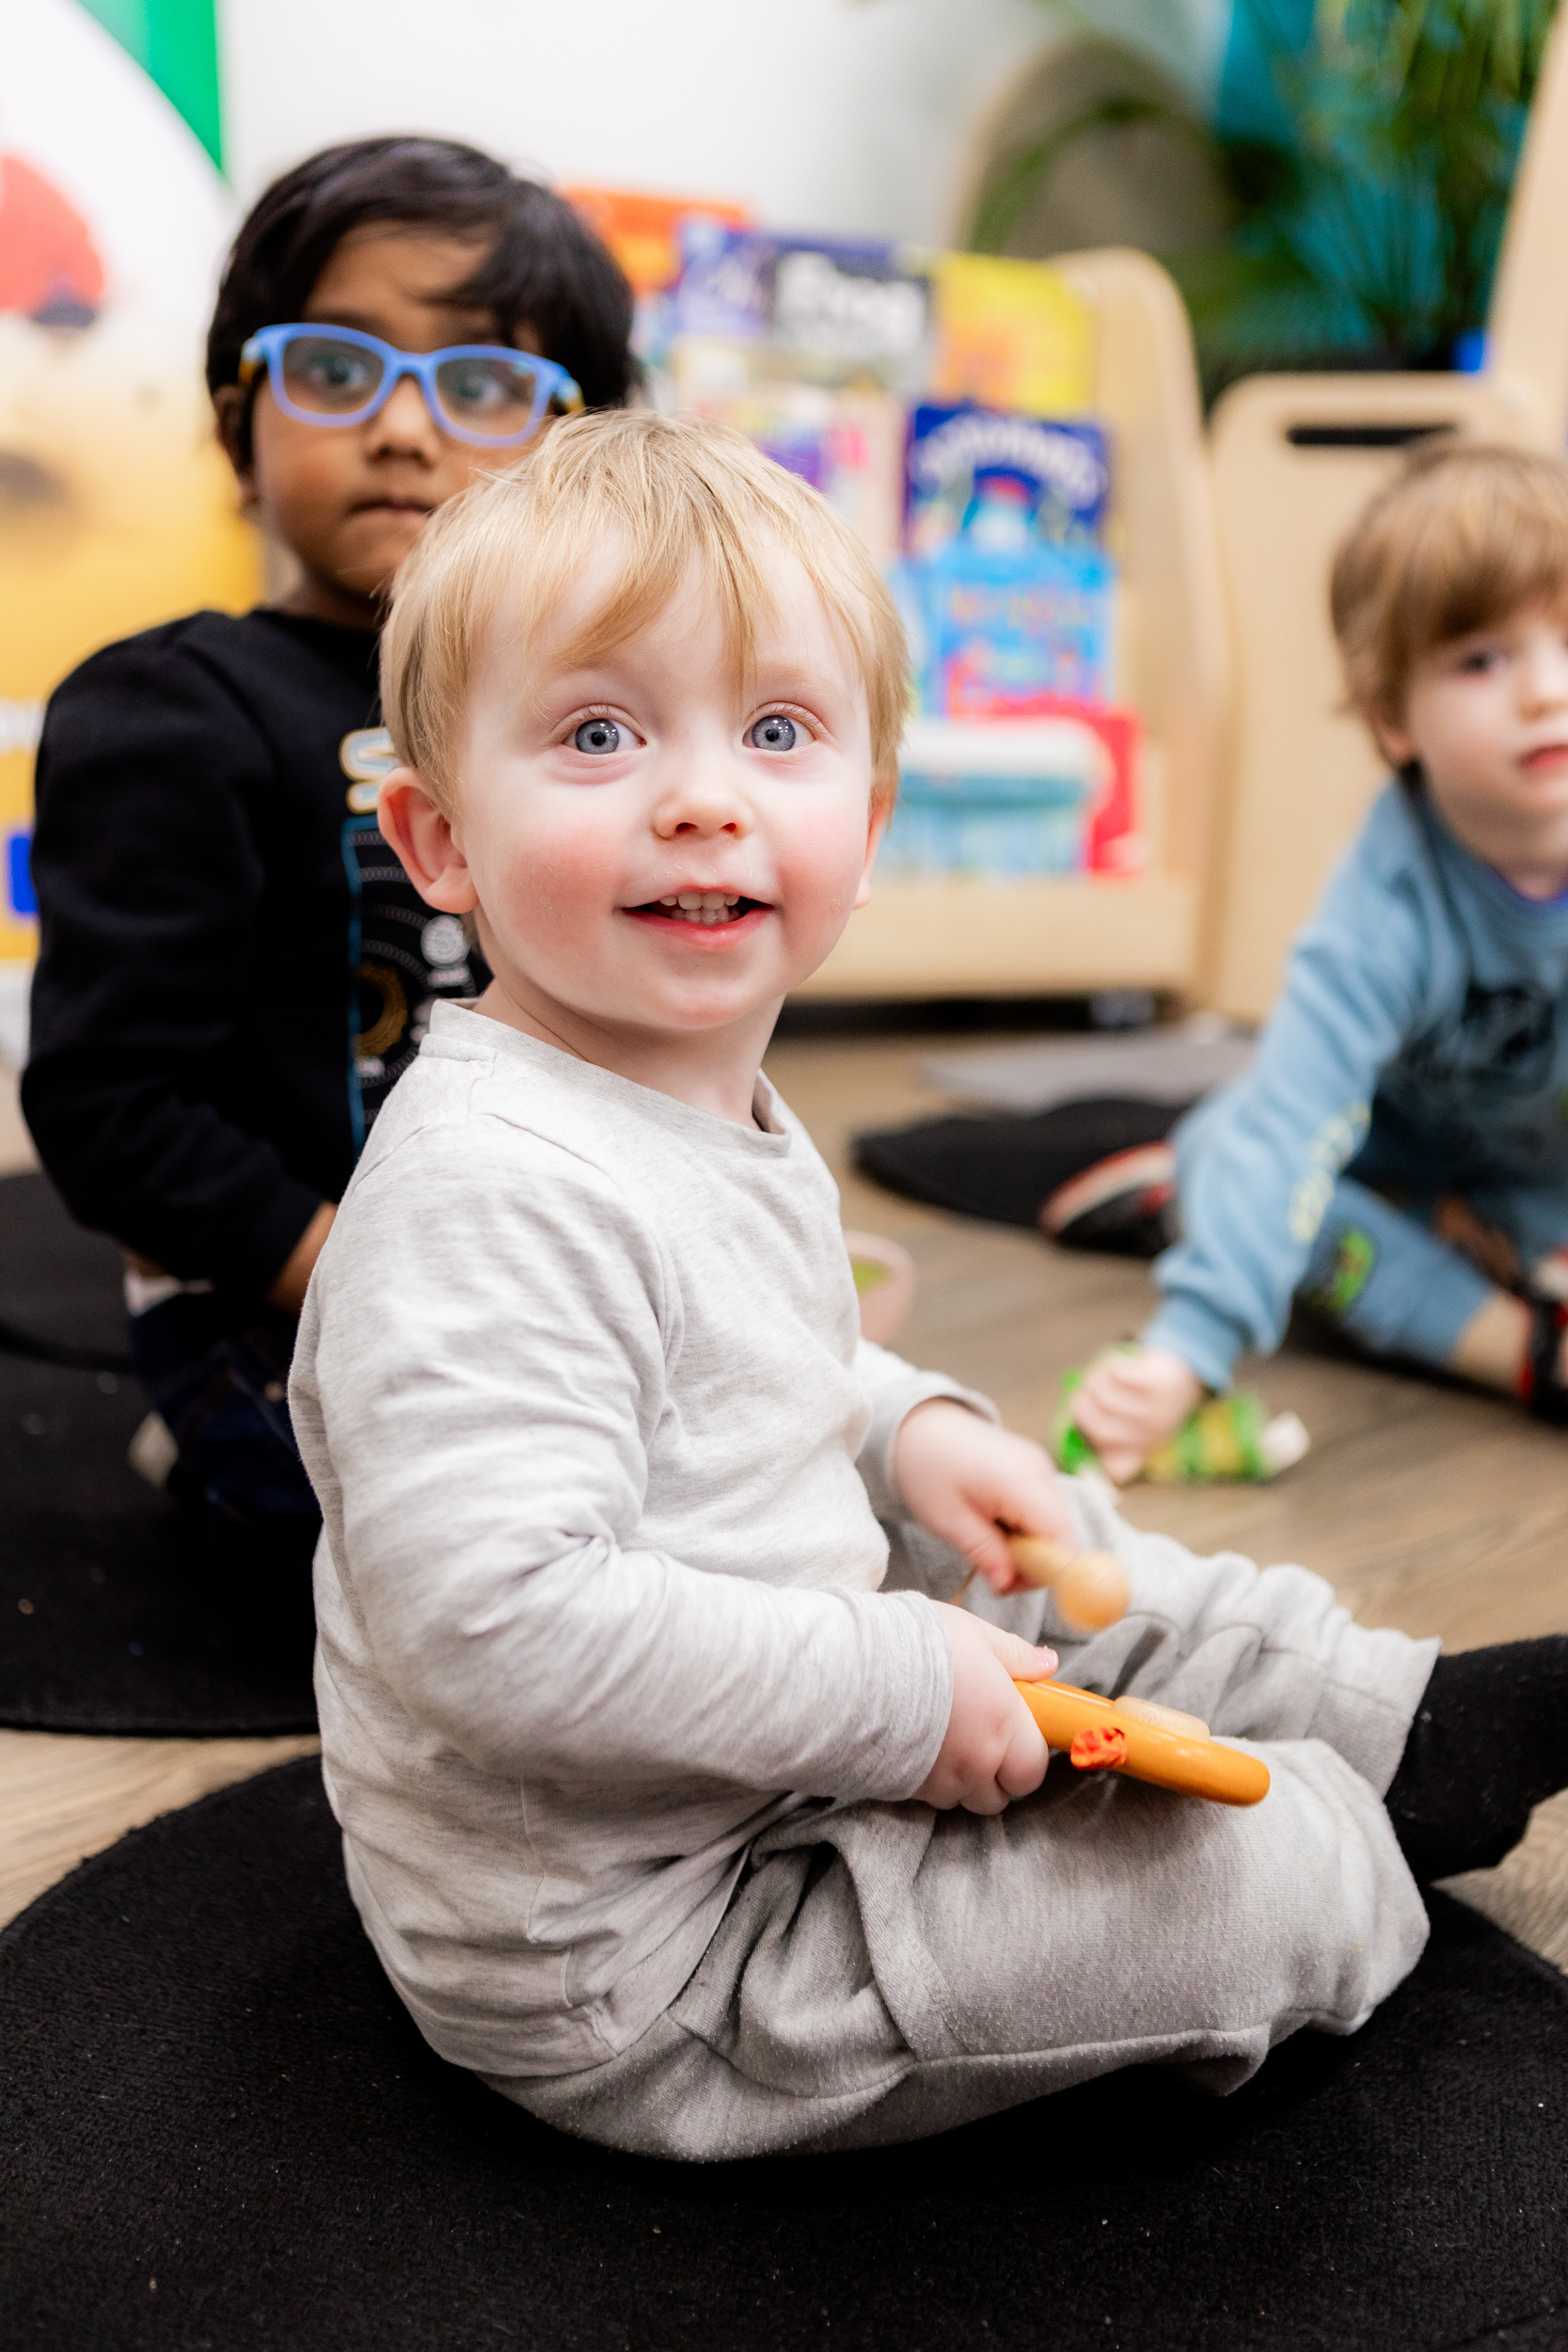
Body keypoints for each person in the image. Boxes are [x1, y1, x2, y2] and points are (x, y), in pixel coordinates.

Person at [289, 411, 1568, 2161]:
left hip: (762, 1703)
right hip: (655, 1948)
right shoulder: (480, 1193)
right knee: (1252, 1869)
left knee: (1078, 1574)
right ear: (435, 843)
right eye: (598, 732)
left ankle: (1404, 1724)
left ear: (867, 823)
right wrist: (903, 1695)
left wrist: (902, 1431)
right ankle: (1355, 1834)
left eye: (778, 730)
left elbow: (736, 1364)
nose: (702, 793)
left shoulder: (686, 1087)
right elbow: (493, 1622)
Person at [22, 136, 634, 1561]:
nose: (407, 429)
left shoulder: (596, 716)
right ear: (241, 431)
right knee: (509, 1569)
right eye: (337, 368)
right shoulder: (172, 709)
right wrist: (366, 1276)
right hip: (285, 1312)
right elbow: (115, 1105)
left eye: (482, 384)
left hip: (550, 1285)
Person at [1070, 441, 1568, 1483]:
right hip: (1374, 1164)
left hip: (1533, 1185)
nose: (1543, 691)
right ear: (1392, 718)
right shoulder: (1385, 903)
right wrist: (1184, 1352)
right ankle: (1516, 1351)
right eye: (1481, 659)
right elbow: (1298, 1117)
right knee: (1232, 1156)